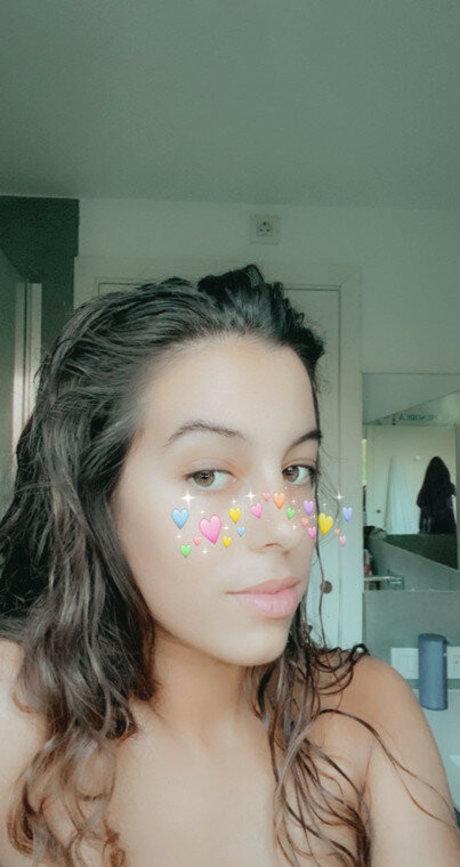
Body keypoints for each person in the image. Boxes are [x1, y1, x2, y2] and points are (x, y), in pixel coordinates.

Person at [0, 264, 458, 866]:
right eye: (209, 474)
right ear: (96, 495)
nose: (286, 527)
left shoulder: (368, 708)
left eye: (296, 470)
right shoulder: (18, 710)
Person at [417, 455, 457, 534]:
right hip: (447, 524)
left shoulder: (427, 488)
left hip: (431, 525)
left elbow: (420, 502)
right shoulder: (447, 486)